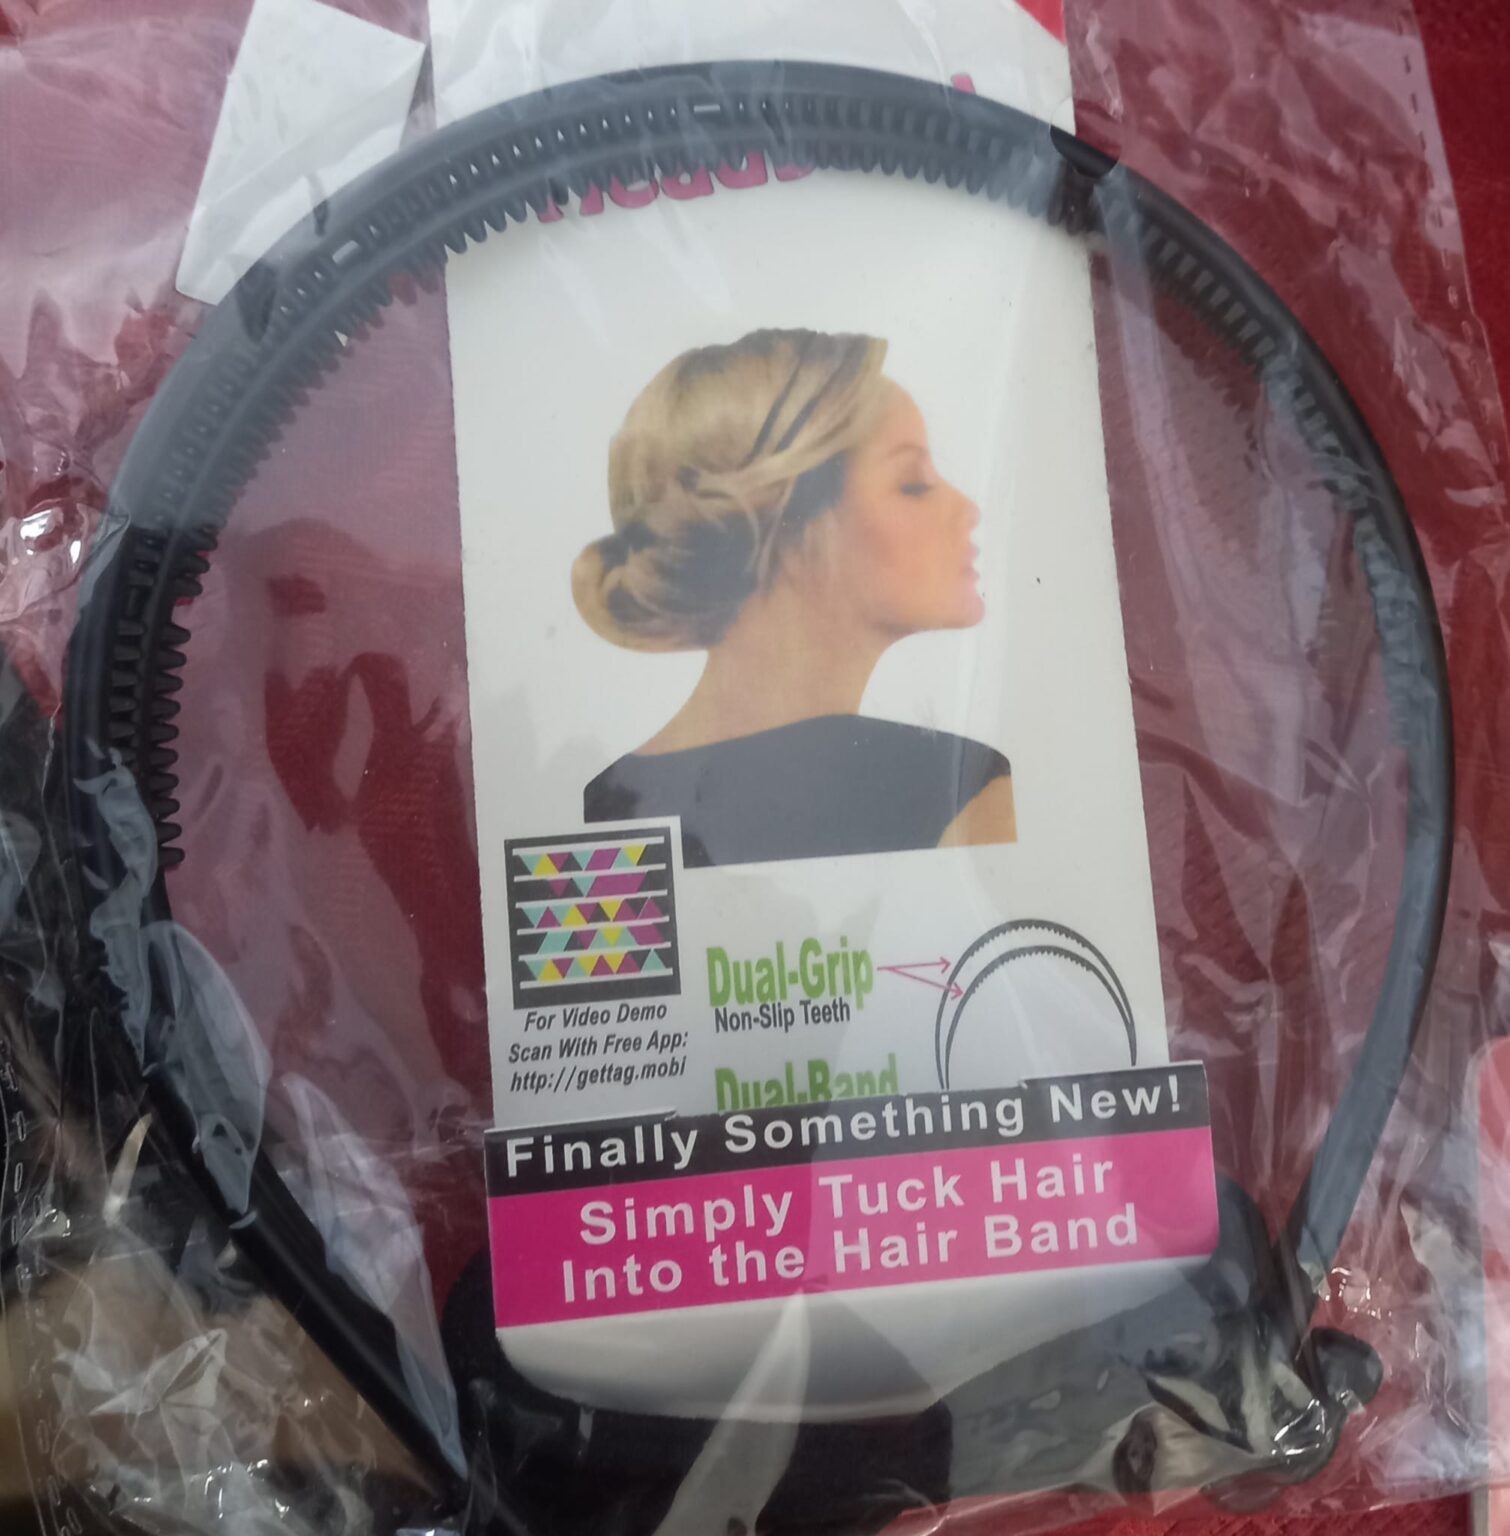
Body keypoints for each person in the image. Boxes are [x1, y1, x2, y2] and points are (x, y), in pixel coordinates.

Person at [572, 327, 1015, 867]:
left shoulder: (602, 807)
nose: (968, 508)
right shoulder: (960, 792)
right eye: (914, 483)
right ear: (789, 527)